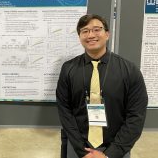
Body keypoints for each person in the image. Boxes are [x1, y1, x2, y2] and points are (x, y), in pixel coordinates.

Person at [56, 14, 148, 158]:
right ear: (79, 37)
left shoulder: (129, 70)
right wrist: (81, 150)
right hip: (79, 148)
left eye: (96, 29)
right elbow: (64, 111)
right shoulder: (68, 69)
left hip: (117, 148)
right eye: (85, 31)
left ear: (107, 34)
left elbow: (136, 116)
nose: (91, 35)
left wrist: (110, 154)